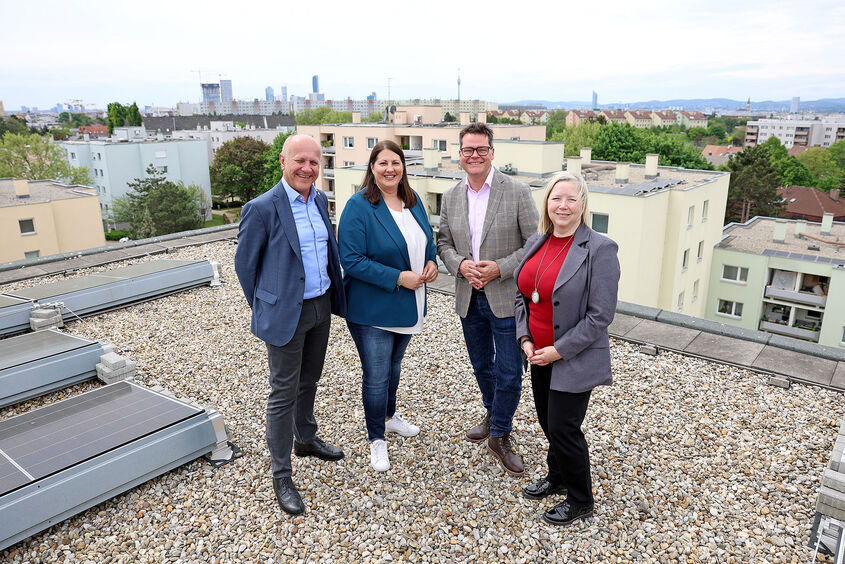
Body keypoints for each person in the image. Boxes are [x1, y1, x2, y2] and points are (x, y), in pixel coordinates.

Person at [234, 134, 347, 516]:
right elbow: (245, 268)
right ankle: (281, 474)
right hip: (287, 314)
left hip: (320, 307)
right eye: (300, 161)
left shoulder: (319, 199)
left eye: (314, 163)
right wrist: (269, 307)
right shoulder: (261, 208)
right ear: (284, 161)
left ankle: (306, 439)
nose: (307, 169)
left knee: (309, 380)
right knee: (283, 393)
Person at [514, 171, 620, 526]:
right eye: (556, 198)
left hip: (570, 357)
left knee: (563, 427)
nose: (563, 205)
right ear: (547, 202)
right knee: (548, 421)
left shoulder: (600, 249)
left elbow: (600, 316)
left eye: (571, 199)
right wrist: (525, 339)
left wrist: (557, 351)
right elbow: (522, 297)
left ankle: (580, 499)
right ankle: (557, 475)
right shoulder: (536, 241)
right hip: (537, 352)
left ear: (583, 205)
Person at [437, 122, 539, 476]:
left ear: (492, 153)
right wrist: (461, 265)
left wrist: (500, 268)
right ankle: (495, 415)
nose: (475, 156)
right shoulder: (451, 197)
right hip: (469, 296)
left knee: (510, 372)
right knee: (482, 366)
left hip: (507, 296)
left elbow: (534, 244)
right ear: (460, 155)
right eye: (468, 150)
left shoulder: (518, 191)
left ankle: (499, 434)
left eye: (481, 149)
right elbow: (443, 243)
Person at [338, 140, 438, 472]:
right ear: (372, 168)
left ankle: (390, 416)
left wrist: (432, 263)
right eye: (382, 163)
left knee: (394, 368)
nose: (390, 169)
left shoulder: (413, 201)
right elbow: (351, 260)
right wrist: (398, 277)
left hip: (408, 304)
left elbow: (427, 240)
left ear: (403, 167)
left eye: (395, 162)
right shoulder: (358, 206)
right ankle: (376, 438)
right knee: (377, 375)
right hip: (373, 309)